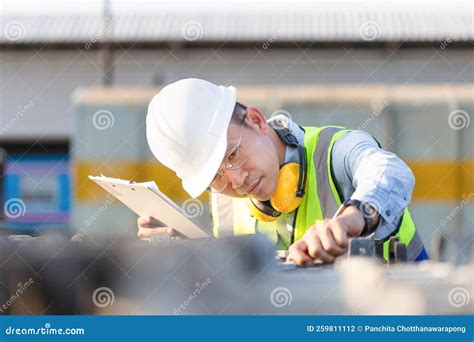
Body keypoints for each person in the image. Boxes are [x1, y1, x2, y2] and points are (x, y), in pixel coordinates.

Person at [139, 78, 428, 265]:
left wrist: (348, 222)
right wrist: (192, 251)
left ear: (256, 120)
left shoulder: (335, 152)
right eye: (216, 176)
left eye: (233, 154)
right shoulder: (225, 201)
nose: (237, 181)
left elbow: (391, 173)